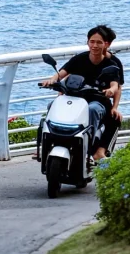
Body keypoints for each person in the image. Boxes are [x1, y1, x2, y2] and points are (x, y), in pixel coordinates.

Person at [40, 24, 123, 160]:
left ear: (106, 44)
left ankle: (89, 145)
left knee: (94, 110)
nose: (94, 45)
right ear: (87, 42)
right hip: (76, 99)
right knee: (52, 105)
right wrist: (50, 80)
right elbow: (60, 74)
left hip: (97, 100)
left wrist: (112, 99)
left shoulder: (112, 64)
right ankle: (47, 143)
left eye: (99, 42)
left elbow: (116, 86)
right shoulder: (80, 58)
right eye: (92, 41)